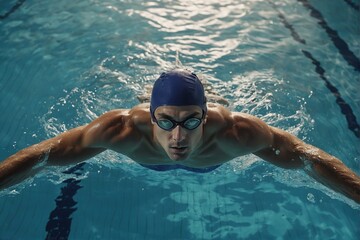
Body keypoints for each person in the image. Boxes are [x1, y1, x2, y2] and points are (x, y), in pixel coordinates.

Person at [0, 69, 359, 203]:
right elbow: (43, 154)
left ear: (204, 121)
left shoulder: (238, 132)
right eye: (166, 121)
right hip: (149, 128)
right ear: (150, 119)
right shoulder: (119, 129)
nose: (177, 137)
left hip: (211, 149)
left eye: (190, 122)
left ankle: (210, 95)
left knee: (220, 103)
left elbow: (307, 156)